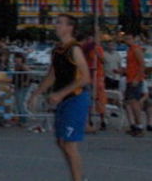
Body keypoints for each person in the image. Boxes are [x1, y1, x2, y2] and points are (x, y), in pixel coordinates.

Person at [30, 14, 91, 181]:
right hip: (64, 100)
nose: (55, 25)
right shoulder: (57, 50)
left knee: (70, 144)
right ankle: (78, 177)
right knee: (61, 142)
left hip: (76, 99)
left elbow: (85, 78)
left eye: (59, 23)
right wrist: (36, 94)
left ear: (69, 28)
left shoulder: (74, 49)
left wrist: (60, 93)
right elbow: (52, 75)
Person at [122, 34, 146, 137]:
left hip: (135, 79)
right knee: (130, 102)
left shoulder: (136, 49)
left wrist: (137, 78)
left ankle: (139, 125)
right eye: (126, 39)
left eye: (129, 38)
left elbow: (142, 64)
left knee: (134, 102)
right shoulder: (129, 50)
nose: (127, 41)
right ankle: (135, 125)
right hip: (129, 78)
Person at [12, 53, 31, 126]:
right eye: (16, 57)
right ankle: (21, 119)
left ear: (22, 59)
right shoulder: (16, 66)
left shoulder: (23, 66)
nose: (17, 59)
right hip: (18, 85)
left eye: (18, 58)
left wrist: (26, 82)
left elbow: (29, 74)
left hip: (23, 86)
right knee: (18, 103)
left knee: (20, 103)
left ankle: (24, 120)